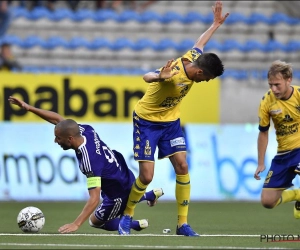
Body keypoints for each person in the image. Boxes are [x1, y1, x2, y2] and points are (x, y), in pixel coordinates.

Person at [118, 1, 229, 236]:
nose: (207, 82)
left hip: (170, 123)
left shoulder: (193, 58)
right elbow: (147, 76)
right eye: (207, 78)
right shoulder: (174, 74)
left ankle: (182, 224)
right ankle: (127, 216)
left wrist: (215, 24)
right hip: (147, 122)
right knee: (146, 176)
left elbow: (200, 43)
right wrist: (160, 76)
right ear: (200, 73)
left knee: (182, 166)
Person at [8, 96, 164, 234]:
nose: (55, 141)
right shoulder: (85, 130)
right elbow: (58, 120)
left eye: (58, 138)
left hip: (117, 192)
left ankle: (135, 220)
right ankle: (146, 198)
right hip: (122, 171)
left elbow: (94, 198)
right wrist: (29, 108)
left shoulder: (89, 162)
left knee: (94, 221)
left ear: (69, 139)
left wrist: (76, 224)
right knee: (105, 210)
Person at [254, 60, 300, 218]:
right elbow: (263, 133)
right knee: (267, 202)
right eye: (270, 84)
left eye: (277, 85)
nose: (273, 89)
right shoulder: (267, 101)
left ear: (289, 79)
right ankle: (296, 195)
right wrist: (261, 162)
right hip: (283, 155)